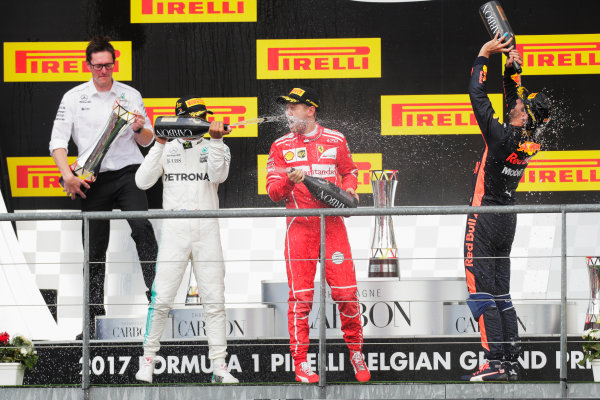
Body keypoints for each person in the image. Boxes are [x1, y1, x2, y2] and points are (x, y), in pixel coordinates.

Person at [49, 36, 158, 339]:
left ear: (114, 64)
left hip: (128, 173)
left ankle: (159, 302)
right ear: (88, 65)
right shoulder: (73, 97)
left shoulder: (130, 94)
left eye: (108, 65)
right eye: (97, 66)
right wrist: (67, 175)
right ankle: (93, 321)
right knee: (94, 249)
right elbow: (57, 141)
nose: (103, 71)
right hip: (92, 178)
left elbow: (147, 140)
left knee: (142, 230)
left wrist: (139, 128)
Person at [462, 33, 551, 382]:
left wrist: (484, 54)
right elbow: (513, 97)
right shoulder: (530, 138)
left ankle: (494, 361)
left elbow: (476, 95)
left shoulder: (500, 137)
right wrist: (512, 66)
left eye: (519, 103)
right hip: (506, 220)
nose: (515, 102)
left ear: (520, 116)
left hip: (484, 219)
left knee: (480, 288)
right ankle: (510, 361)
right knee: (502, 291)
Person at [266, 87, 371, 383]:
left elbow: (350, 171)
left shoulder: (335, 139)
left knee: (346, 293)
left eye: (293, 107)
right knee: (301, 298)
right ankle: (301, 364)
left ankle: (356, 353)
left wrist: (350, 189)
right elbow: (274, 193)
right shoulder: (280, 146)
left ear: (310, 110)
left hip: (333, 226)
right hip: (299, 227)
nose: (287, 112)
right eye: (286, 107)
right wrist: (287, 180)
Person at [134, 97, 238, 384]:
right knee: (162, 299)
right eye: (192, 118)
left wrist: (216, 142)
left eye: (202, 118)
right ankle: (147, 361)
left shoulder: (217, 145)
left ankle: (219, 366)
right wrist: (158, 144)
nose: (198, 123)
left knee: (215, 301)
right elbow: (142, 182)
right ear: (179, 120)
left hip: (207, 230)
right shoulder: (167, 147)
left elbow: (219, 174)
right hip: (175, 231)